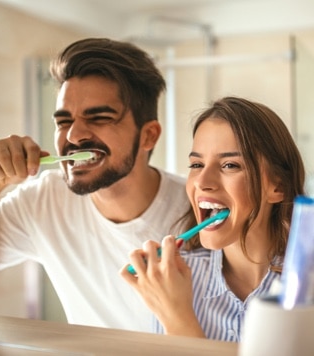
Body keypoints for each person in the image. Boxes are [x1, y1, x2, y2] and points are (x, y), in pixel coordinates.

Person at [0, 38, 196, 332]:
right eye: (64, 122)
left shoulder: (199, 214)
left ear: (149, 136)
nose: (74, 136)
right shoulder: (42, 201)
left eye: (99, 117)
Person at [120, 96, 305, 342]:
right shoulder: (172, 281)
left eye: (230, 165)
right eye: (196, 164)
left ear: (278, 186)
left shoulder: (306, 286)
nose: (202, 182)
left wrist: (178, 319)